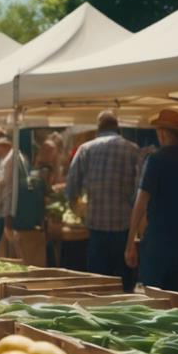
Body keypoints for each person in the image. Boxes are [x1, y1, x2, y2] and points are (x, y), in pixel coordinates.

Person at [125, 110, 178, 292]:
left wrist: (130, 242)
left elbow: (140, 202)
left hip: (158, 243)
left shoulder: (156, 160)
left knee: (153, 301)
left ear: (162, 133)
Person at [65, 110, 140, 291]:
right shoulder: (132, 149)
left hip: (96, 228)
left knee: (98, 285)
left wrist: (79, 211)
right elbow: (139, 191)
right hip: (124, 228)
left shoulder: (86, 149)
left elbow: (71, 187)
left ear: (98, 128)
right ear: (117, 128)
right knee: (124, 287)